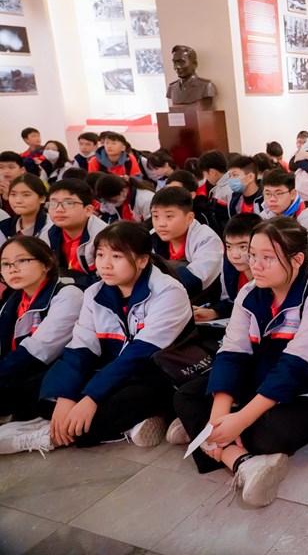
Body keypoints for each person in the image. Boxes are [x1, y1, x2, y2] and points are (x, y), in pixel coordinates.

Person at [173, 217, 308, 507]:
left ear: (296, 259)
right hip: (263, 377)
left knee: (276, 432)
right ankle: (240, 460)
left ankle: (206, 435)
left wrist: (241, 419)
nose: (255, 265)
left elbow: (296, 368)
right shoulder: (249, 293)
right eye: (252, 254)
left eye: (268, 258)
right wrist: (219, 416)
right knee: (186, 395)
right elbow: (233, 353)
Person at [0, 222, 193, 454]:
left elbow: (137, 356)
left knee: (91, 420)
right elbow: (80, 349)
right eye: (100, 255)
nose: (105, 264)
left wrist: (90, 398)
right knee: (38, 392)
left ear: (142, 260)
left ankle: (49, 435)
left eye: (117, 256)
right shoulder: (95, 293)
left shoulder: (168, 291)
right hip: (111, 369)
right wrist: (65, 397)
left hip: (155, 371)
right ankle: (124, 424)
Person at [0, 237, 83, 423]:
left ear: (47, 264)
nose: (12, 269)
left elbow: (39, 352)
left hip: (54, 373)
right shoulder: (12, 302)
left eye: (22, 260)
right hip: (22, 371)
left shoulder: (68, 295)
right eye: (5, 264)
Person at [149, 186, 224, 303]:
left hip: (204, 302)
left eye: (169, 216)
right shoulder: (152, 237)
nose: (161, 224)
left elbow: (194, 280)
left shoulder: (207, 238)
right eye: (156, 216)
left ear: (189, 218)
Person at [38, 180, 108, 288]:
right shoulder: (49, 233)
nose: (59, 209)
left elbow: (105, 279)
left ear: (88, 210)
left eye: (68, 203)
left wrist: (70, 281)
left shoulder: (104, 237)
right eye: (53, 203)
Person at [193, 213, 261, 323]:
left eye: (243, 247)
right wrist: (214, 312)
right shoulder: (229, 268)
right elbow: (233, 302)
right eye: (229, 247)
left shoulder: (271, 274)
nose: (235, 255)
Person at [259, 169, 308, 248]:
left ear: (293, 194)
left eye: (279, 193)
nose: (272, 199)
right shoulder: (266, 213)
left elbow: (302, 250)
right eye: (267, 193)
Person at [0, 174, 49, 239]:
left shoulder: (52, 227)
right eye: (13, 194)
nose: (18, 200)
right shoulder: (3, 227)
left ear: (42, 198)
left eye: (26, 195)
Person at [196, 150, 234, 230]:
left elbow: (232, 218)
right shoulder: (216, 189)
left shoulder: (230, 189)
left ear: (212, 172)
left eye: (205, 174)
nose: (206, 178)